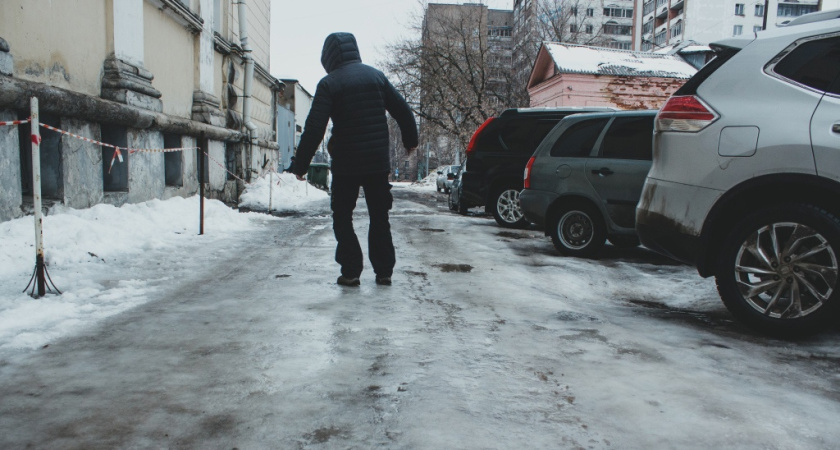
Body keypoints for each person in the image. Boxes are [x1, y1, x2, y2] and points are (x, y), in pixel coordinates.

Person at [293, 32, 418, 287]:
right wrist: (410, 141)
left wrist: (301, 164)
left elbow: (315, 127)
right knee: (379, 217)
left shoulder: (329, 83)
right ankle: (384, 272)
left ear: (328, 58)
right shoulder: (376, 76)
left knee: (342, 216)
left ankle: (351, 271)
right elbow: (403, 110)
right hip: (376, 162)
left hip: (346, 165)